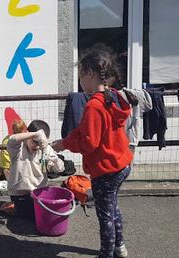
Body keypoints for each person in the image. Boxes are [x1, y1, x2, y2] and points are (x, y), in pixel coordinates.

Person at [52, 46, 133, 258]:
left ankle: (107, 254)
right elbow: (87, 131)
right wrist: (68, 140)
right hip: (122, 163)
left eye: (81, 77)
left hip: (106, 169)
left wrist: (65, 144)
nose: (80, 82)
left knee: (105, 214)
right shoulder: (113, 96)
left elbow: (89, 143)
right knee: (112, 207)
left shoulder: (94, 106)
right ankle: (120, 247)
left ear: (90, 74)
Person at [7, 120, 64, 221]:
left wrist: (55, 160)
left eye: (40, 142)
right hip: (20, 193)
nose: (37, 146)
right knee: (29, 218)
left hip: (39, 194)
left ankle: (15, 208)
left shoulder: (44, 147)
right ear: (28, 134)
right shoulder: (18, 148)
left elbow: (59, 168)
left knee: (50, 215)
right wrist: (36, 134)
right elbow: (12, 139)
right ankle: (15, 207)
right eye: (34, 141)